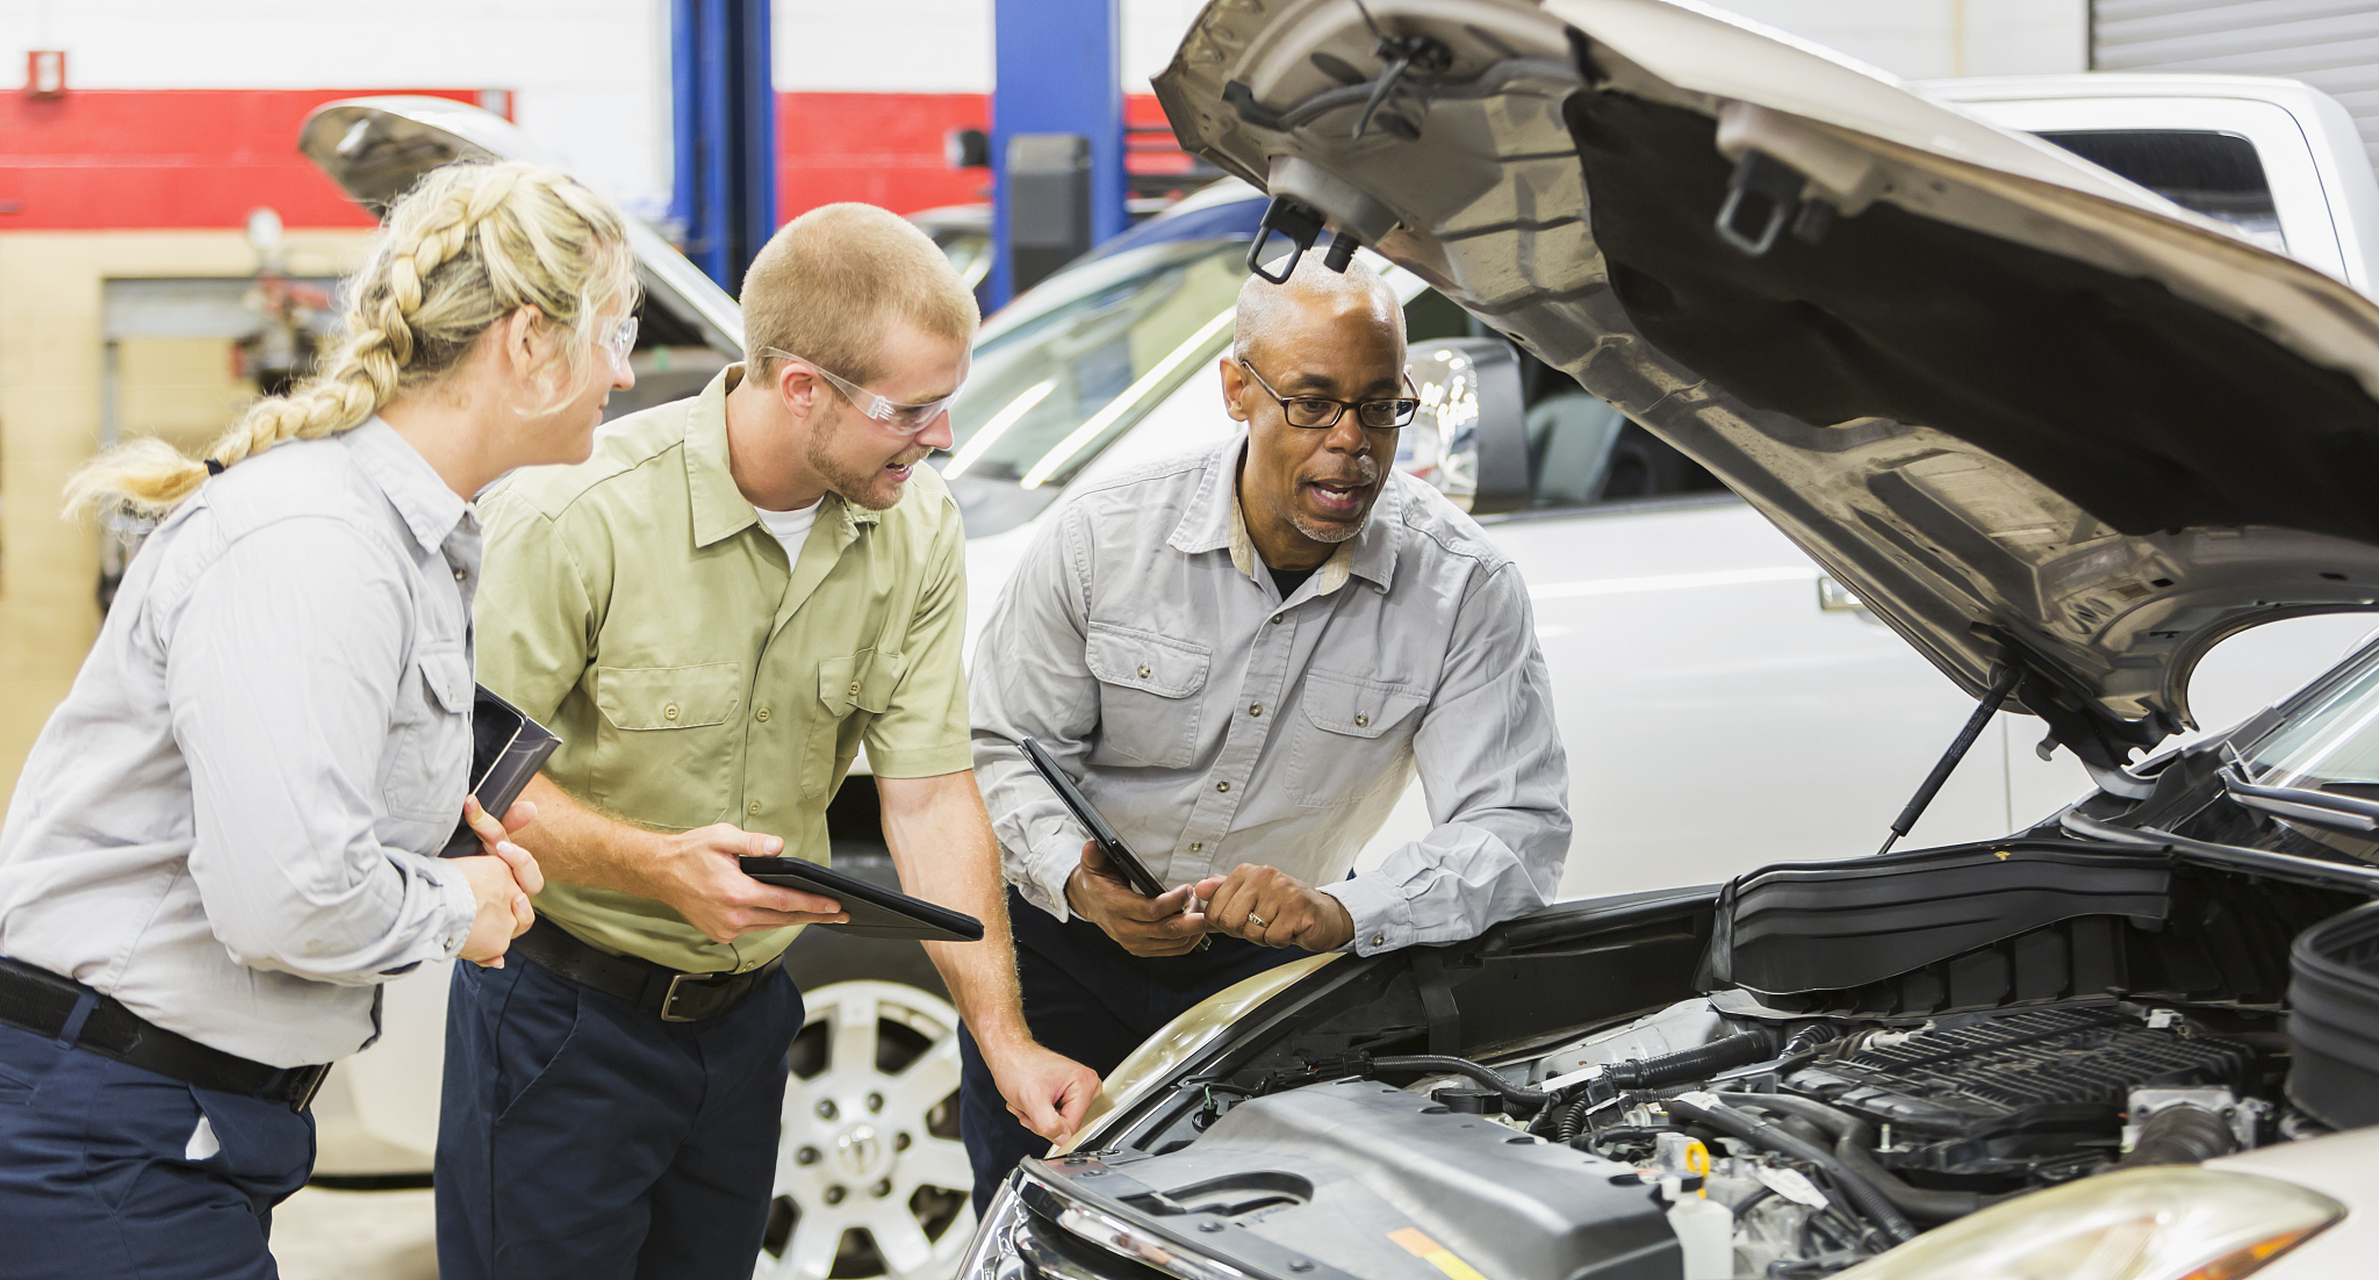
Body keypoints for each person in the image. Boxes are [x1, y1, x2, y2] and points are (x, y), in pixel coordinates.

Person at [439, 202, 1100, 1280]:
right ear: (801, 387)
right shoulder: (578, 516)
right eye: (913, 408)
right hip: (562, 1022)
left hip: (748, 1025)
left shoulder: (916, 528)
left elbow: (929, 796)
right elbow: (466, 777)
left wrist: (1005, 1036)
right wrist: (657, 865)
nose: (942, 438)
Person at [0, 159, 634, 1278]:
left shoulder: (397, 541)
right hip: (110, 1127)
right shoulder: (315, 544)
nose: (625, 372)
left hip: (177, 1121)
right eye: (614, 331)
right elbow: (287, 895)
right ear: (530, 342)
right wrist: (459, 901)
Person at [964, 255, 1572, 1198]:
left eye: (1379, 406)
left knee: (1244, 1231)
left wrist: (1342, 911)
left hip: (1274, 975)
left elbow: (1514, 830)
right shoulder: (1102, 536)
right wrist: (1080, 882)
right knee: (1040, 1226)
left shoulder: (1461, 588)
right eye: (1313, 404)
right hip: (1061, 949)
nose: (1353, 444)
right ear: (1237, 391)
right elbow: (998, 745)